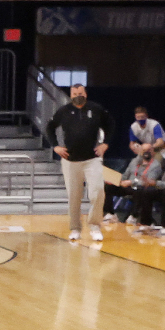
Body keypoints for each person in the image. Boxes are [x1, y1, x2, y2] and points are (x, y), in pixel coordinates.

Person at [47, 83, 111, 243]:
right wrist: (55, 146)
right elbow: (50, 127)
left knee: (97, 192)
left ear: (85, 93)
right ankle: (75, 228)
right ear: (71, 95)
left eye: (80, 93)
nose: (77, 96)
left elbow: (110, 124)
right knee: (74, 196)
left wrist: (105, 143)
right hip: (70, 160)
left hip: (92, 159)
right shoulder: (64, 111)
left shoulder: (96, 109)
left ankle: (95, 226)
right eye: (74, 93)